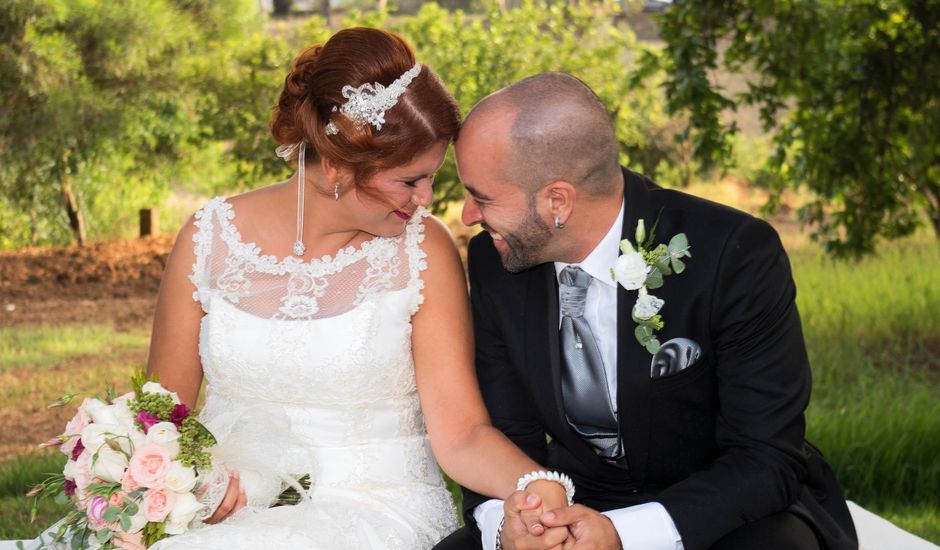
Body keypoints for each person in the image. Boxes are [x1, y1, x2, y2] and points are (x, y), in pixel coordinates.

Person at [6, 28, 569, 550]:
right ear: (337, 165)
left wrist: (535, 483)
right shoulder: (210, 237)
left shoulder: (425, 250)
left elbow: (463, 433)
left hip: (374, 509)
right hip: (222, 507)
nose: (425, 197)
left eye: (431, 177)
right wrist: (171, 484)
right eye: (409, 180)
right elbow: (162, 415)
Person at [435, 72, 858, 550]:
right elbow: (508, 433)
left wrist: (621, 535)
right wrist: (512, 524)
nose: (467, 215)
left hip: (723, 509)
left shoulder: (733, 252)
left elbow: (765, 457)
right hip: (577, 499)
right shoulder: (497, 258)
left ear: (558, 200)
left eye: (482, 197)